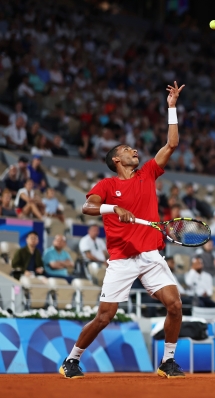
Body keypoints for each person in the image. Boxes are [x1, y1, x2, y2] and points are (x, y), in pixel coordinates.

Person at [59, 82, 187, 379]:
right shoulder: (107, 186)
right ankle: (72, 360)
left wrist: (171, 107)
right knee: (104, 317)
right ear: (117, 159)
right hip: (122, 259)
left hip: (150, 254)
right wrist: (112, 208)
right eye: (128, 150)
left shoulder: (148, 173)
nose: (135, 150)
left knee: (175, 306)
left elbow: (171, 145)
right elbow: (86, 208)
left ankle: (167, 361)